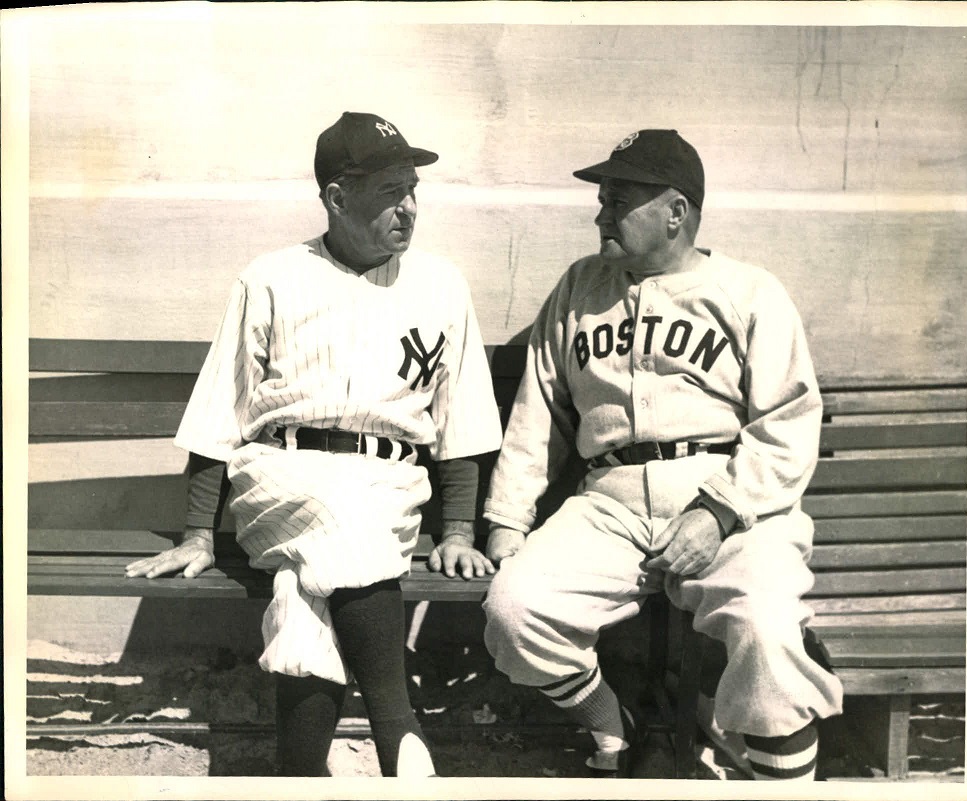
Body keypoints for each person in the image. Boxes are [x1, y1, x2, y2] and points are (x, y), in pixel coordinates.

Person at [125, 111, 503, 778]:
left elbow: (463, 418)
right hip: (281, 474)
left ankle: (298, 776)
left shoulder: (441, 285)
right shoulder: (271, 277)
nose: (409, 208)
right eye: (389, 192)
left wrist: (461, 529)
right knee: (335, 509)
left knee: (302, 592)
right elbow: (222, 406)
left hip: (390, 485)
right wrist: (198, 532)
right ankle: (397, 727)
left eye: (413, 189)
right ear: (336, 197)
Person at [481, 129, 844, 780]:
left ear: (676, 211)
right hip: (609, 501)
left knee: (769, 633)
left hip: (726, 495)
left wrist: (719, 512)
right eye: (602, 197)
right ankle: (609, 725)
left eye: (618, 197)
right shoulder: (580, 288)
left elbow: (790, 421)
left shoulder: (749, 292)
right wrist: (507, 522)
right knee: (513, 610)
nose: (600, 213)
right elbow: (539, 415)